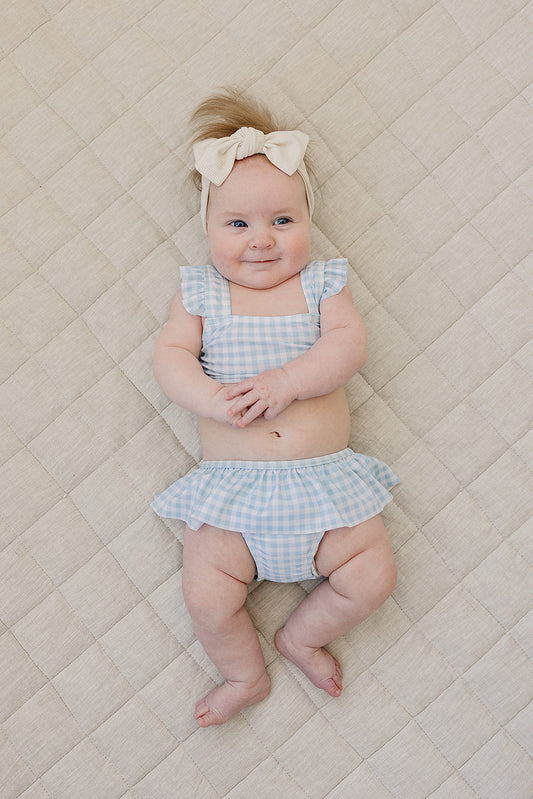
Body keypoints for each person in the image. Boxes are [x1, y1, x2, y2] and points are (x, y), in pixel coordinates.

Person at [151, 89, 399, 727]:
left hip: (324, 489)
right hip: (233, 496)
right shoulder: (201, 293)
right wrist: (208, 396)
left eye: (282, 221)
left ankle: (301, 637)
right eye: (237, 224)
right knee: (206, 595)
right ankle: (244, 674)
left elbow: (349, 345)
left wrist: (290, 380)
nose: (261, 240)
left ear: (308, 221)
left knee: (372, 576)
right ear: (208, 228)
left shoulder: (322, 284)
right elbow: (171, 356)